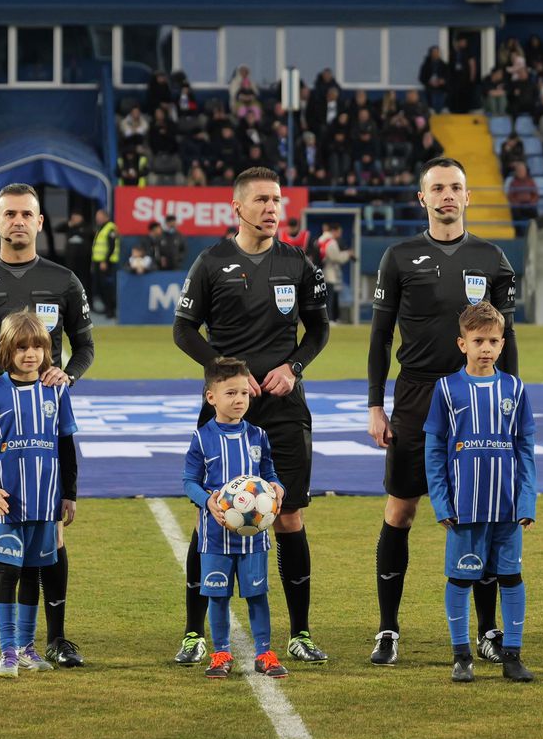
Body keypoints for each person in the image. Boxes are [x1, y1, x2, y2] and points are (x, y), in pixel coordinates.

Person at [173, 166, 330, 666]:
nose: (271, 209)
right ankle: (195, 634)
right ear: (236, 208)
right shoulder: (212, 261)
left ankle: (300, 633)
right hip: (224, 412)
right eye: (261, 200)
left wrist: (294, 367)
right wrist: (223, 375)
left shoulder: (297, 263)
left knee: (289, 515)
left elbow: (320, 330)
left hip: (283, 410)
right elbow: (184, 329)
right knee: (211, 515)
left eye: (276, 200)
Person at [367, 157, 519, 667]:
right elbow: (380, 335)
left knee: (484, 513)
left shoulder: (493, 258)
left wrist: (510, 398)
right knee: (400, 510)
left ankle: (489, 631)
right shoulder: (399, 256)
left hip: (478, 397)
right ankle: (388, 629)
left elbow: (506, 338)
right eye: (438, 188)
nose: (448, 195)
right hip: (416, 396)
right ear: (423, 199)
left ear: (468, 196)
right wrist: (375, 404)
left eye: (456, 186)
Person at [0, 183, 93, 668]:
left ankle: (56, 639)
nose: (18, 222)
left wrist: (66, 374)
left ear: (40, 222)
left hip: (42, 420)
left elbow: (85, 346)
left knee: (51, 536)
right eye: (9, 214)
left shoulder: (65, 281)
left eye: (27, 214)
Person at [423, 302, 536, 683]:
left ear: (502, 345)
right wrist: (440, 501)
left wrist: (527, 499)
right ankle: (461, 656)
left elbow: (526, 450)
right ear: (462, 344)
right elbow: (434, 450)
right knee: (460, 580)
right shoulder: (447, 389)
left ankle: (513, 656)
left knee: (511, 578)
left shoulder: (515, 389)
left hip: (506, 507)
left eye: (492, 340)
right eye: (478, 341)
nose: (485, 347)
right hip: (464, 507)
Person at [0, 310, 78, 678]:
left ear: (46, 350)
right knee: (7, 573)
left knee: (34, 573)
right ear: (7, 350)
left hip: (45, 502)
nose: (30, 353)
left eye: (37, 346)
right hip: (9, 503)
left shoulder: (56, 390)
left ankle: (29, 648)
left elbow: (66, 446)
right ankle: (8, 651)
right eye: (21, 347)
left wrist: (70, 495)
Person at [183, 357, 289, 679]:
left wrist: (277, 489)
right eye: (230, 393)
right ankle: (221, 653)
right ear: (211, 397)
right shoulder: (202, 438)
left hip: (254, 536)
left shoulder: (258, 435)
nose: (239, 400)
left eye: (243, 393)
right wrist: (208, 502)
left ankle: (264, 653)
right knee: (218, 597)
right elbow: (189, 481)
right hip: (215, 537)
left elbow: (269, 473)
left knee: (258, 594)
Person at [91, 209, 119, 319]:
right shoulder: (101, 227)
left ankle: (111, 310)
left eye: (99, 216)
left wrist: (105, 261)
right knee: (100, 286)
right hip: (99, 261)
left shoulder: (110, 227)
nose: (97, 218)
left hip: (107, 263)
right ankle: (107, 307)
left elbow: (111, 246)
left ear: (105, 216)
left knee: (107, 287)